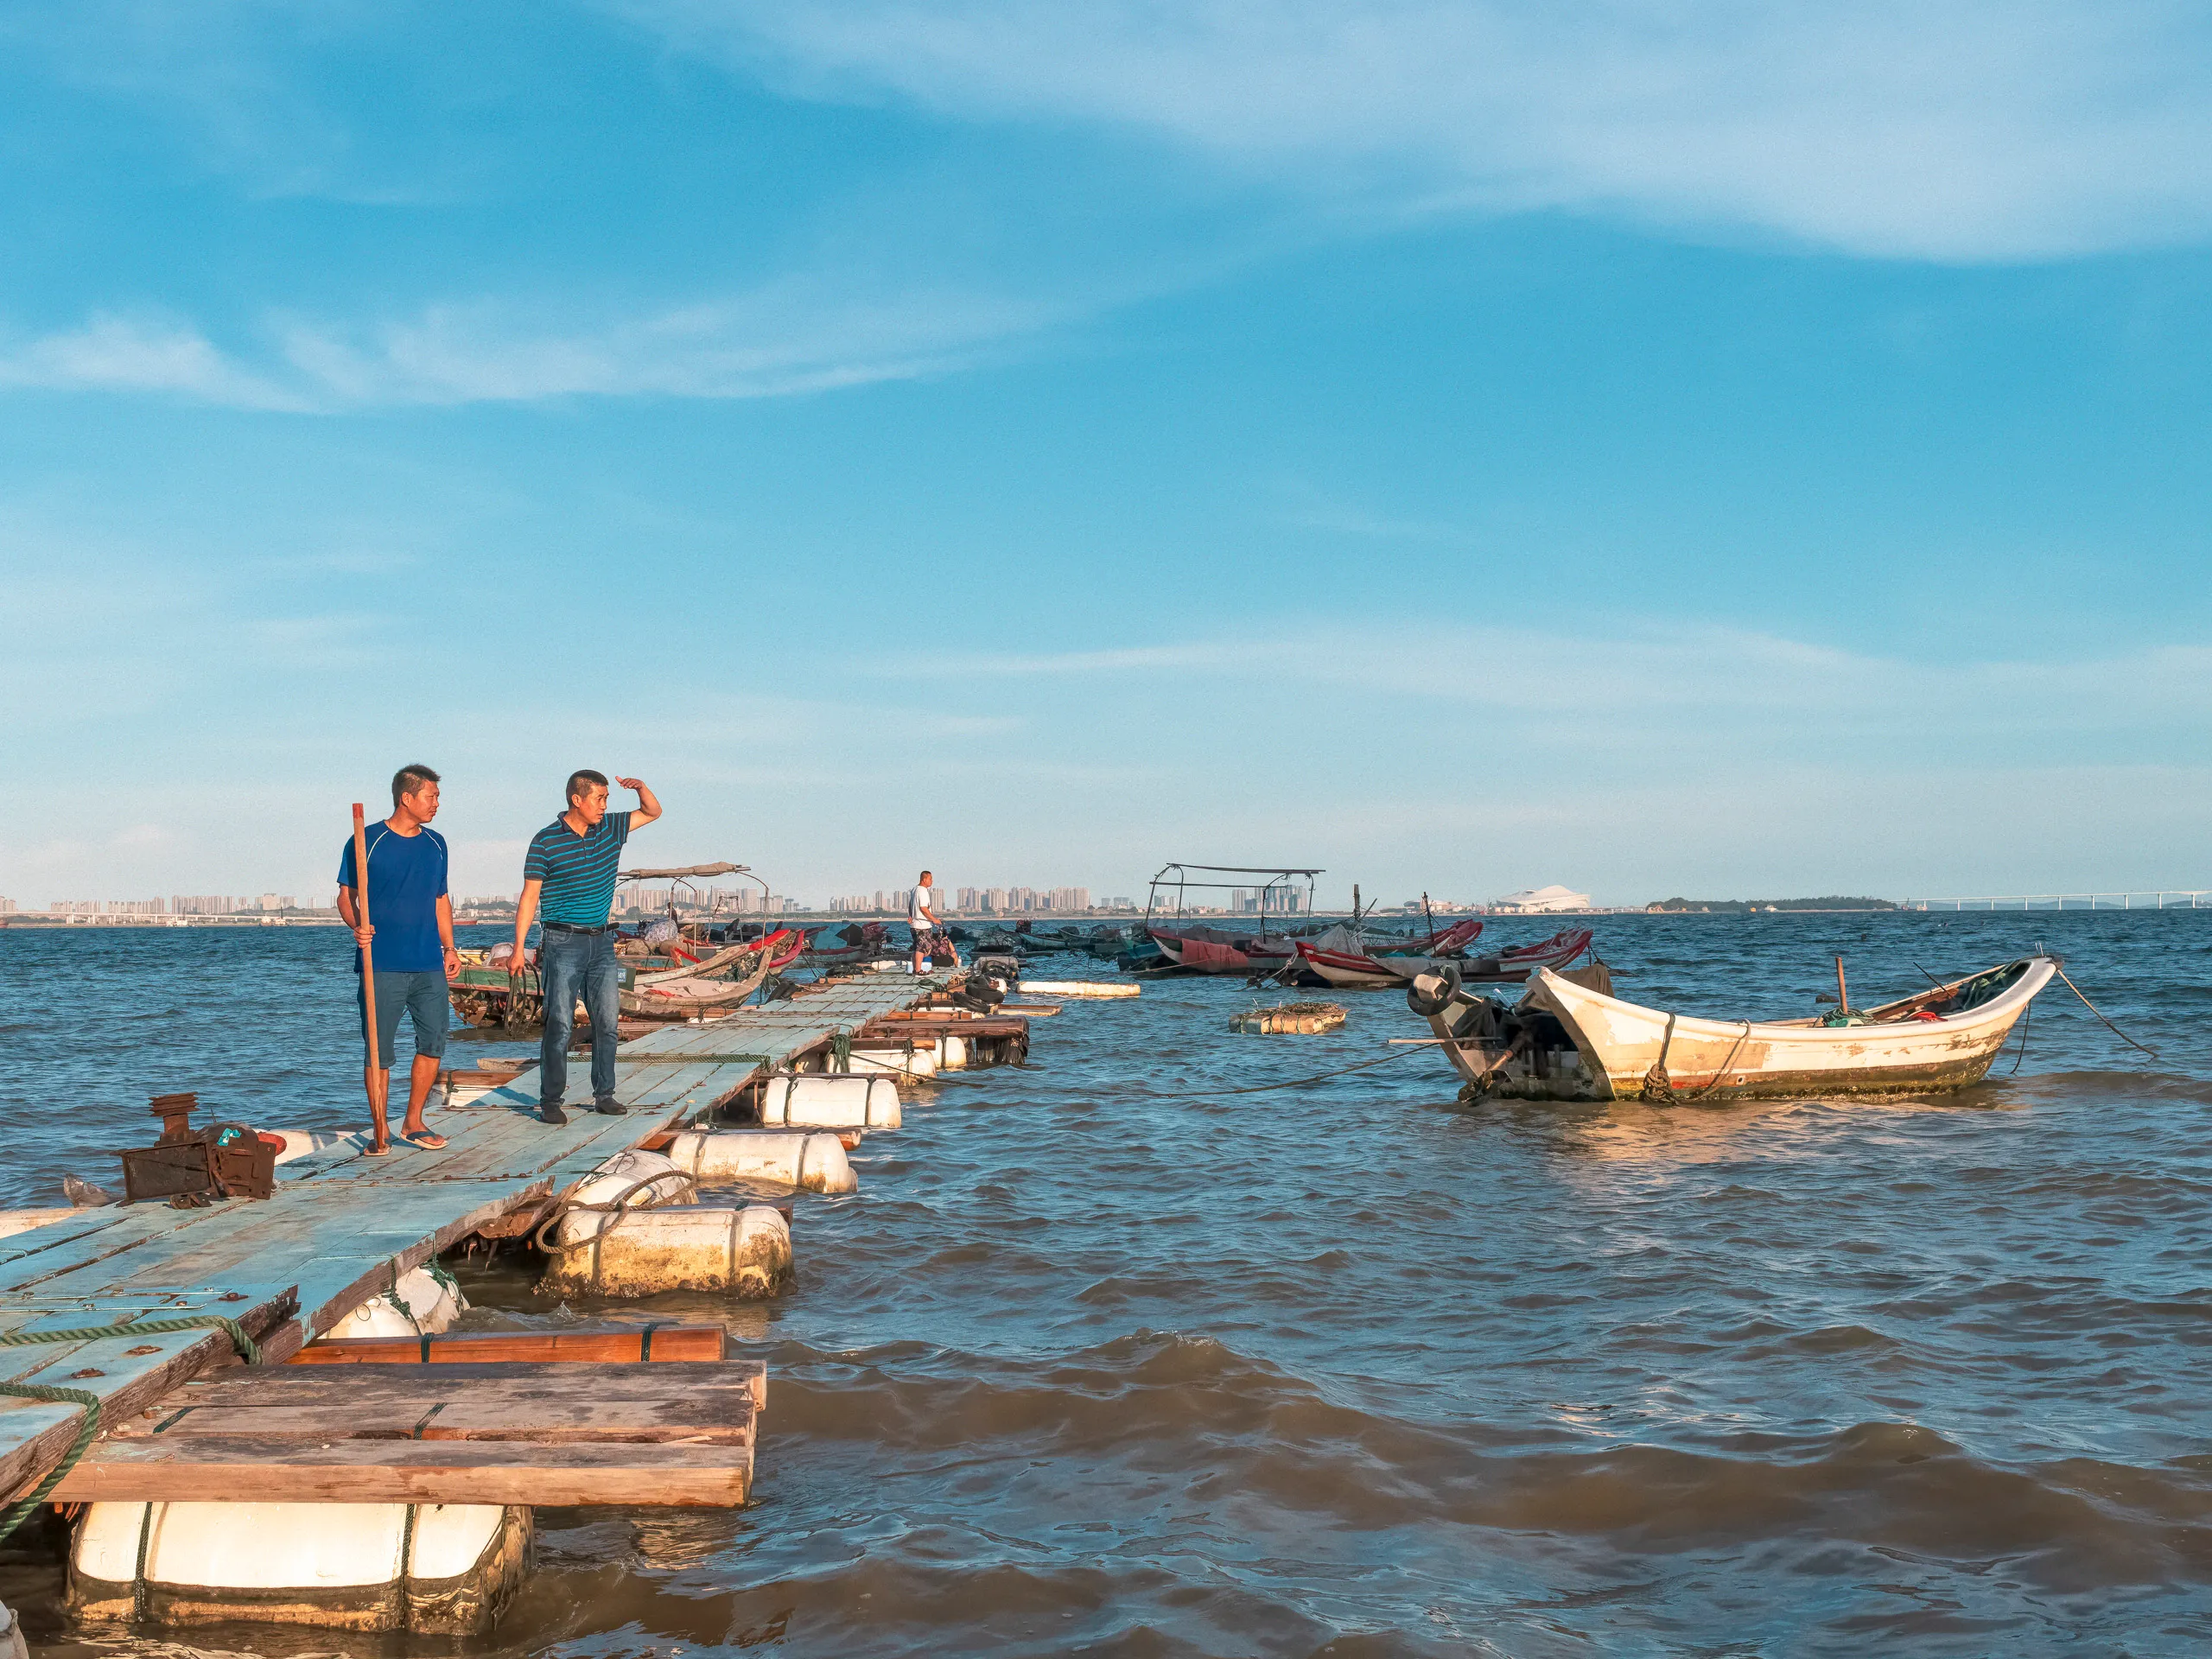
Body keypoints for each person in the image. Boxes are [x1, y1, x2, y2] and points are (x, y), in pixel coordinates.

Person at [510, 771, 661, 1125]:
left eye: (607, 798)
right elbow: (529, 897)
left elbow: (652, 812)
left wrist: (641, 788)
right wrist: (518, 948)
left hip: (603, 942)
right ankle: (551, 1101)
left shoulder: (611, 828)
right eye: (599, 798)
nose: (604, 805)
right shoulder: (545, 841)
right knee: (559, 1024)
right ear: (577, 800)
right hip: (562, 942)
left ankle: (604, 1095)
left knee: (607, 1023)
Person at [336, 765, 460, 1155]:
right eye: (431, 796)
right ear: (407, 798)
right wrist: (358, 926)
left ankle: (413, 1122)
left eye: (437, 797)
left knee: (434, 1042)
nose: (437, 803)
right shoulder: (366, 840)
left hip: (428, 963)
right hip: (381, 963)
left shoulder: (436, 844)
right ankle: (380, 1131)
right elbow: (346, 897)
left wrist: (450, 947)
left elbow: (441, 899)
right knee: (379, 1052)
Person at [909, 870, 950, 974]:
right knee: (922, 948)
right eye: (930, 879)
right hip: (922, 924)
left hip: (915, 924)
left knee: (917, 947)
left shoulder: (914, 889)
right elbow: (923, 908)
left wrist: (910, 915)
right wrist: (934, 919)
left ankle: (915, 969)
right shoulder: (922, 891)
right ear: (924, 879)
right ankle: (918, 970)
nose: (932, 881)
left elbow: (911, 904)